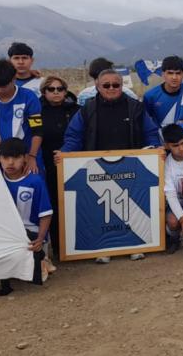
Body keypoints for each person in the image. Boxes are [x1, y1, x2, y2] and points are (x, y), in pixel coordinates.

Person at [56, 68, 160, 263]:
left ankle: (135, 245)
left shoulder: (136, 108)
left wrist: (155, 148)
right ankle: (102, 248)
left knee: (130, 208)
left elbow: (151, 133)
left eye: (116, 85)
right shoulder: (86, 109)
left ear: (122, 86)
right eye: (106, 85)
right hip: (98, 170)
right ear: (97, 86)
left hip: (130, 169)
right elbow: (74, 136)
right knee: (99, 210)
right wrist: (65, 153)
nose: (111, 88)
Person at [0, 138, 53, 296]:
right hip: (4, 232)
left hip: (29, 232)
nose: (10, 163)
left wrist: (40, 239)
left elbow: (46, 214)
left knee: (29, 265)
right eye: (6, 158)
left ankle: (41, 258)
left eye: (16, 157)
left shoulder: (35, 181)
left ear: (25, 158)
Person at [0, 59, 44, 174]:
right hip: (0, 156)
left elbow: (37, 130)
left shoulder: (29, 97)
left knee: (33, 182)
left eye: (4, 86)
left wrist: (32, 156)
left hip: (27, 153)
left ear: (13, 79)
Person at [39, 76, 79, 260]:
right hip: (47, 164)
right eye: (51, 89)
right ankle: (57, 246)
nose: (56, 92)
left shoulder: (76, 110)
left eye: (60, 89)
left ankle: (77, 244)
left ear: (65, 91)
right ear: (44, 92)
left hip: (73, 162)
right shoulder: (36, 111)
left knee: (74, 203)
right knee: (53, 204)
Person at [142, 55, 183, 129]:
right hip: (160, 135)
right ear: (163, 74)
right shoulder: (150, 96)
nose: (174, 77)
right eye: (170, 73)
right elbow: (145, 122)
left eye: (178, 73)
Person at [161, 124, 183, 254]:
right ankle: (174, 238)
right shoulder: (166, 164)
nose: (181, 148)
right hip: (179, 203)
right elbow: (171, 195)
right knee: (172, 221)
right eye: (175, 146)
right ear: (166, 146)